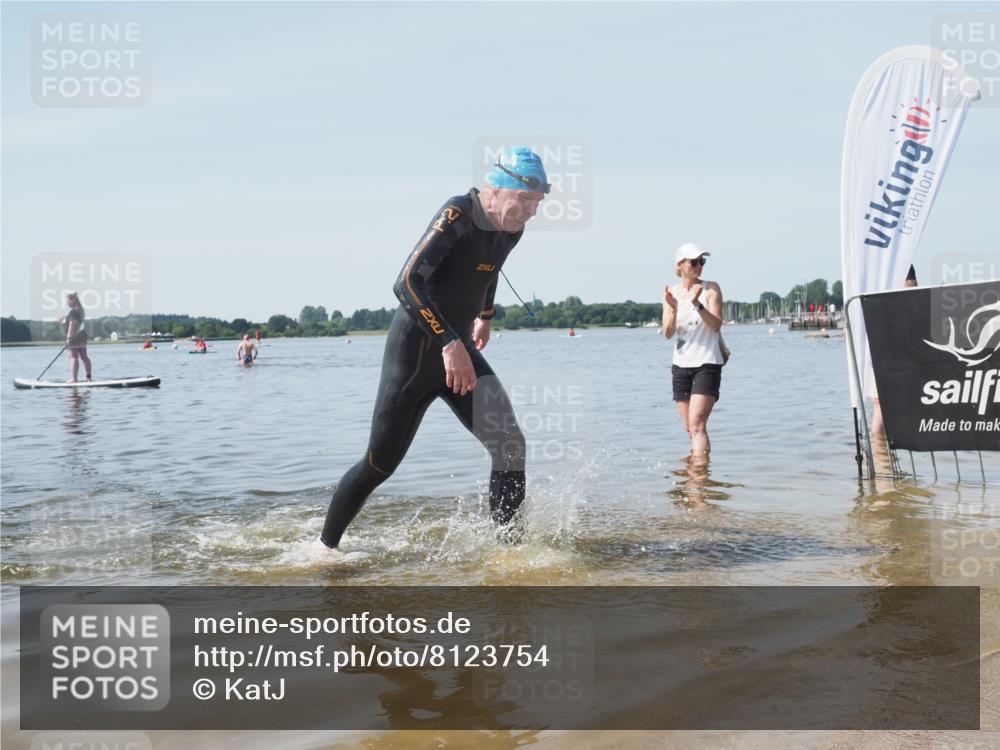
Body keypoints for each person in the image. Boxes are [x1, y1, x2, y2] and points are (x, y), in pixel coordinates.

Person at [319, 146, 549, 549]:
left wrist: (487, 314)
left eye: (537, 203)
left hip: (457, 352)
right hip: (415, 357)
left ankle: (512, 554)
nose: (531, 212)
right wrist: (448, 342)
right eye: (525, 200)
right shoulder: (458, 215)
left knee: (509, 446)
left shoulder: (512, 227)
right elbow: (406, 283)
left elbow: (490, 268)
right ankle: (323, 550)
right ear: (495, 188)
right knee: (379, 465)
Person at [662, 243, 725, 457]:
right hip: (680, 365)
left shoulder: (711, 288)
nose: (699, 266)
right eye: (694, 262)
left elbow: (716, 325)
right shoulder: (671, 292)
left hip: (707, 363)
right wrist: (672, 308)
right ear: (680, 265)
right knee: (690, 428)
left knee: (697, 425)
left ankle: (699, 478)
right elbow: (668, 333)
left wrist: (698, 304)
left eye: (702, 261)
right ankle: (695, 472)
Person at [871, 265, 918, 439]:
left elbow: (911, 286)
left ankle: (882, 456)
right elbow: (911, 286)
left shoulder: (896, 261)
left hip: (892, 342)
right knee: (881, 403)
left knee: (883, 405)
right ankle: (881, 456)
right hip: (885, 343)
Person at [61, 292, 92, 383]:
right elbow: (76, 322)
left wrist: (68, 339)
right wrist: (64, 320)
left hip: (74, 337)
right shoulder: (80, 310)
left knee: (73, 357)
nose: (67, 304)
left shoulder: (73, 312)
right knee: (84, 356)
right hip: (82, 336)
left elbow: (72, 325)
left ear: (72, 300)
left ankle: (74, 379)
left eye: (67, 302)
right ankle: (88, 377)